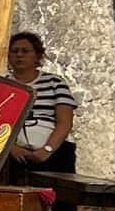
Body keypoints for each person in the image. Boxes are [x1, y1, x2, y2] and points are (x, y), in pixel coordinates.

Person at [5, 31, 77, 177]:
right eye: (15, 51)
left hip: (53, 154)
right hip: (12, 155)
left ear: (37, 56)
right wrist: (11, 148)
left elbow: (65, 122)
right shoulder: (3, 85)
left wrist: (47, 150)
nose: (19, 55)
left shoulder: (55, 83)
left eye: (25, 51)